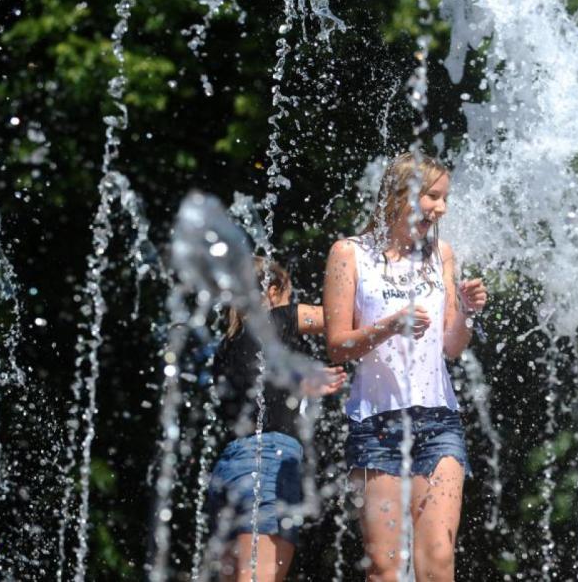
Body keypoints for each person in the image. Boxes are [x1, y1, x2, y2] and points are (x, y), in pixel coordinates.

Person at [323, 152, 488, 581]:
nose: (442, 208)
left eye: (444, 198)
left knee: (438, 558)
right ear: (402, 194)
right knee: (385, 567)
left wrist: (466, 312)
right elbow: (338, 345)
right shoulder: (349, 254)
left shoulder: (441, 255)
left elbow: (451, 346)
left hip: (440, 421)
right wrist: (389, 326)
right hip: (376, 424)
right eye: (433, 196)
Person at [207, 256, 346, 582]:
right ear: (271, 290)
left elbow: (258, 395)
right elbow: (339, 318)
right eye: (288, 295)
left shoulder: (225, 347)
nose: (290, 303)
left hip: (229, 469)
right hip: (267, 462)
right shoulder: (278, 317)